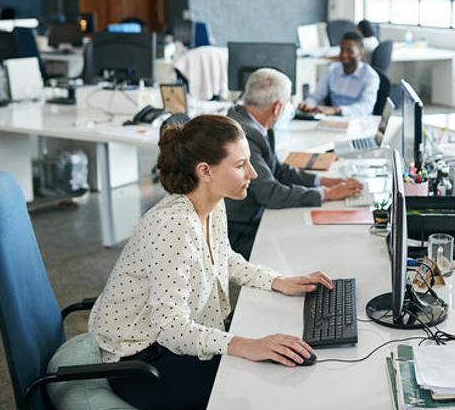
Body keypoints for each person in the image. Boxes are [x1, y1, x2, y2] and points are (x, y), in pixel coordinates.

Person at [89, 114, 334, 410]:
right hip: (143, 360)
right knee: (258, 391)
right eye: (241, 164)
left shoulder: (212, 204)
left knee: (276, 368)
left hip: (176, 340)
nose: (253, 174)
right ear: (205, 171)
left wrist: (276, 280)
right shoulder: (172, 226)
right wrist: (244, 344)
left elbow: (223, 258)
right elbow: (170, 328)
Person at [226, 68, 363, 258]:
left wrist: (324, 182)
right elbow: (271, 194)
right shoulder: (245, 135)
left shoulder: (255, 124)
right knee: (309, 246)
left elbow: (279, 170)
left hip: (258, 215)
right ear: (276, 108)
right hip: (242, 229)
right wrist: (327, 194)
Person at [298, 31, 380, 116]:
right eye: (342, 50)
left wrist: (337, 110)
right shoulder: (332, 70)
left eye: (349, 51)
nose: (344, 55)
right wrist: (308, 104)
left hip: (360, 122)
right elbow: (316, 96)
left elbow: (366, 107)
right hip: (334, 121)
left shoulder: (370, 76)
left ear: (361, 53)